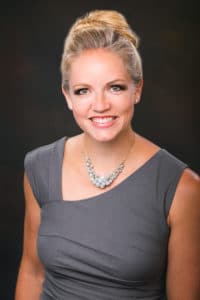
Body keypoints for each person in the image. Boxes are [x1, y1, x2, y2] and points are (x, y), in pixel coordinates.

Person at [15, 9, 200, 300]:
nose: (99, 105)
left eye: (115, 87)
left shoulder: (181, 187)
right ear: (67, 97)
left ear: (137, 89)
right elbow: (32, 271)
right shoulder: (40, 167)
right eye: (83, 91)